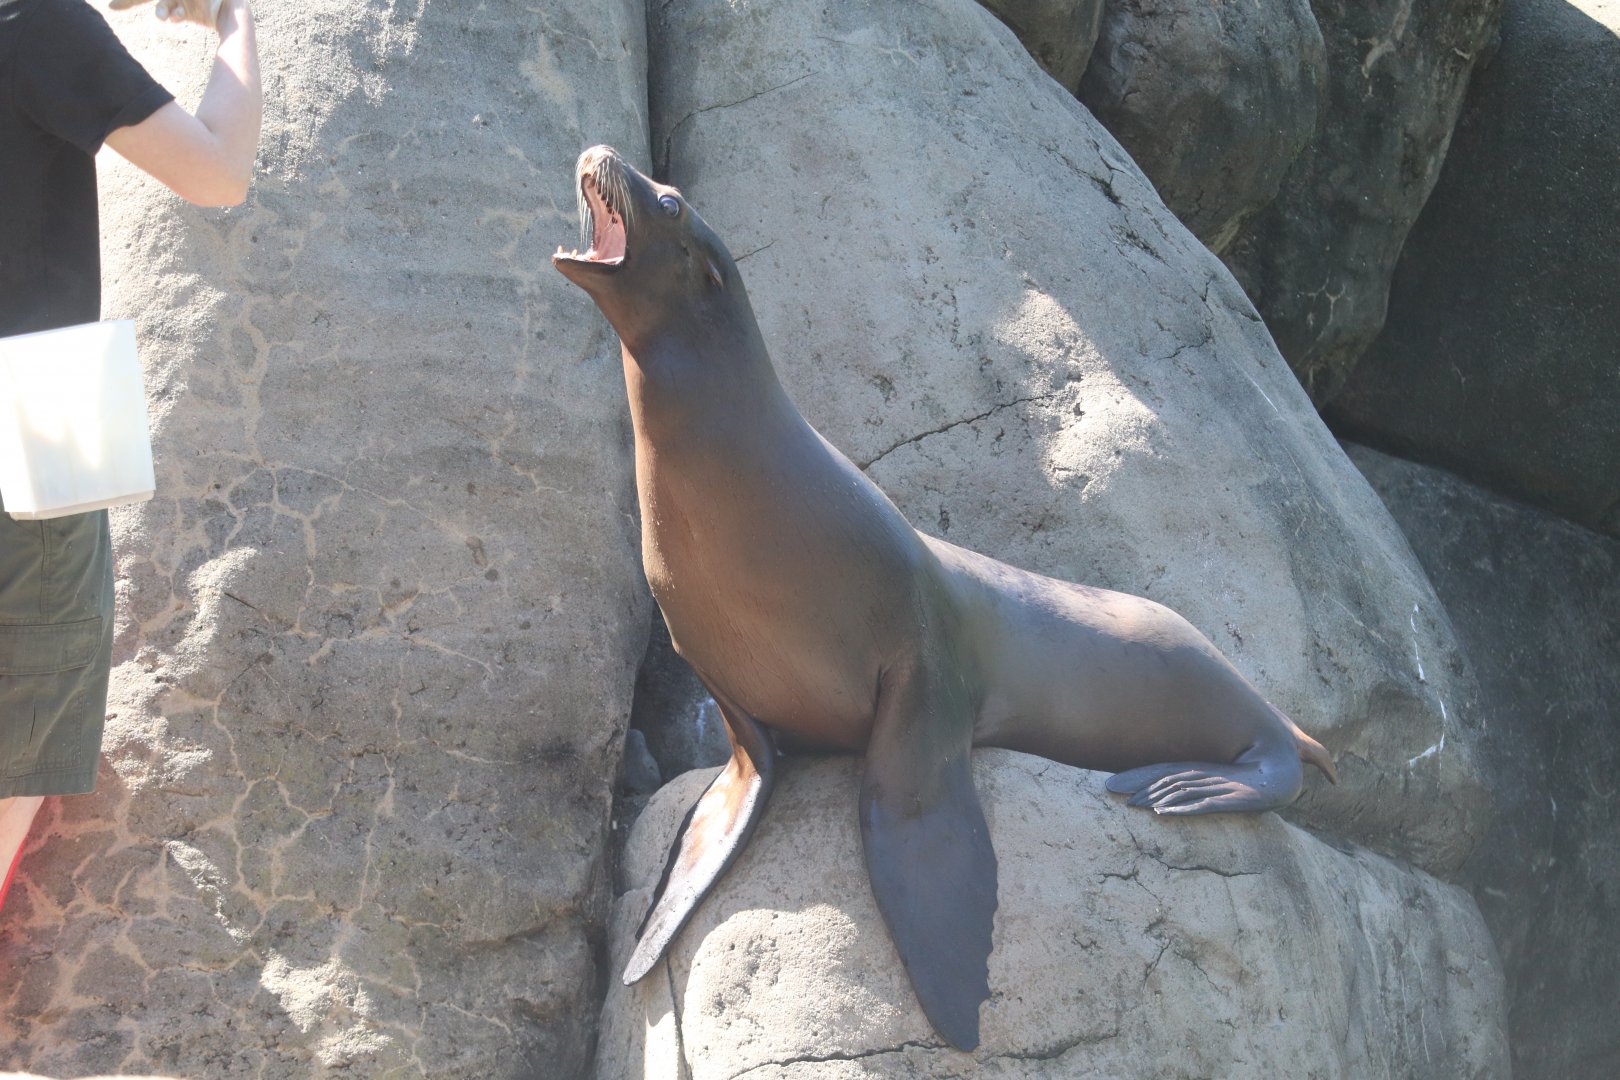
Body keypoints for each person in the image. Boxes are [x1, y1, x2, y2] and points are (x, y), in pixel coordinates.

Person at [0, 0, 261, 912]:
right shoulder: (35, 22)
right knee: (24, 728)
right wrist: (233, 19)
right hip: (35, 414)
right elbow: (217, 171)